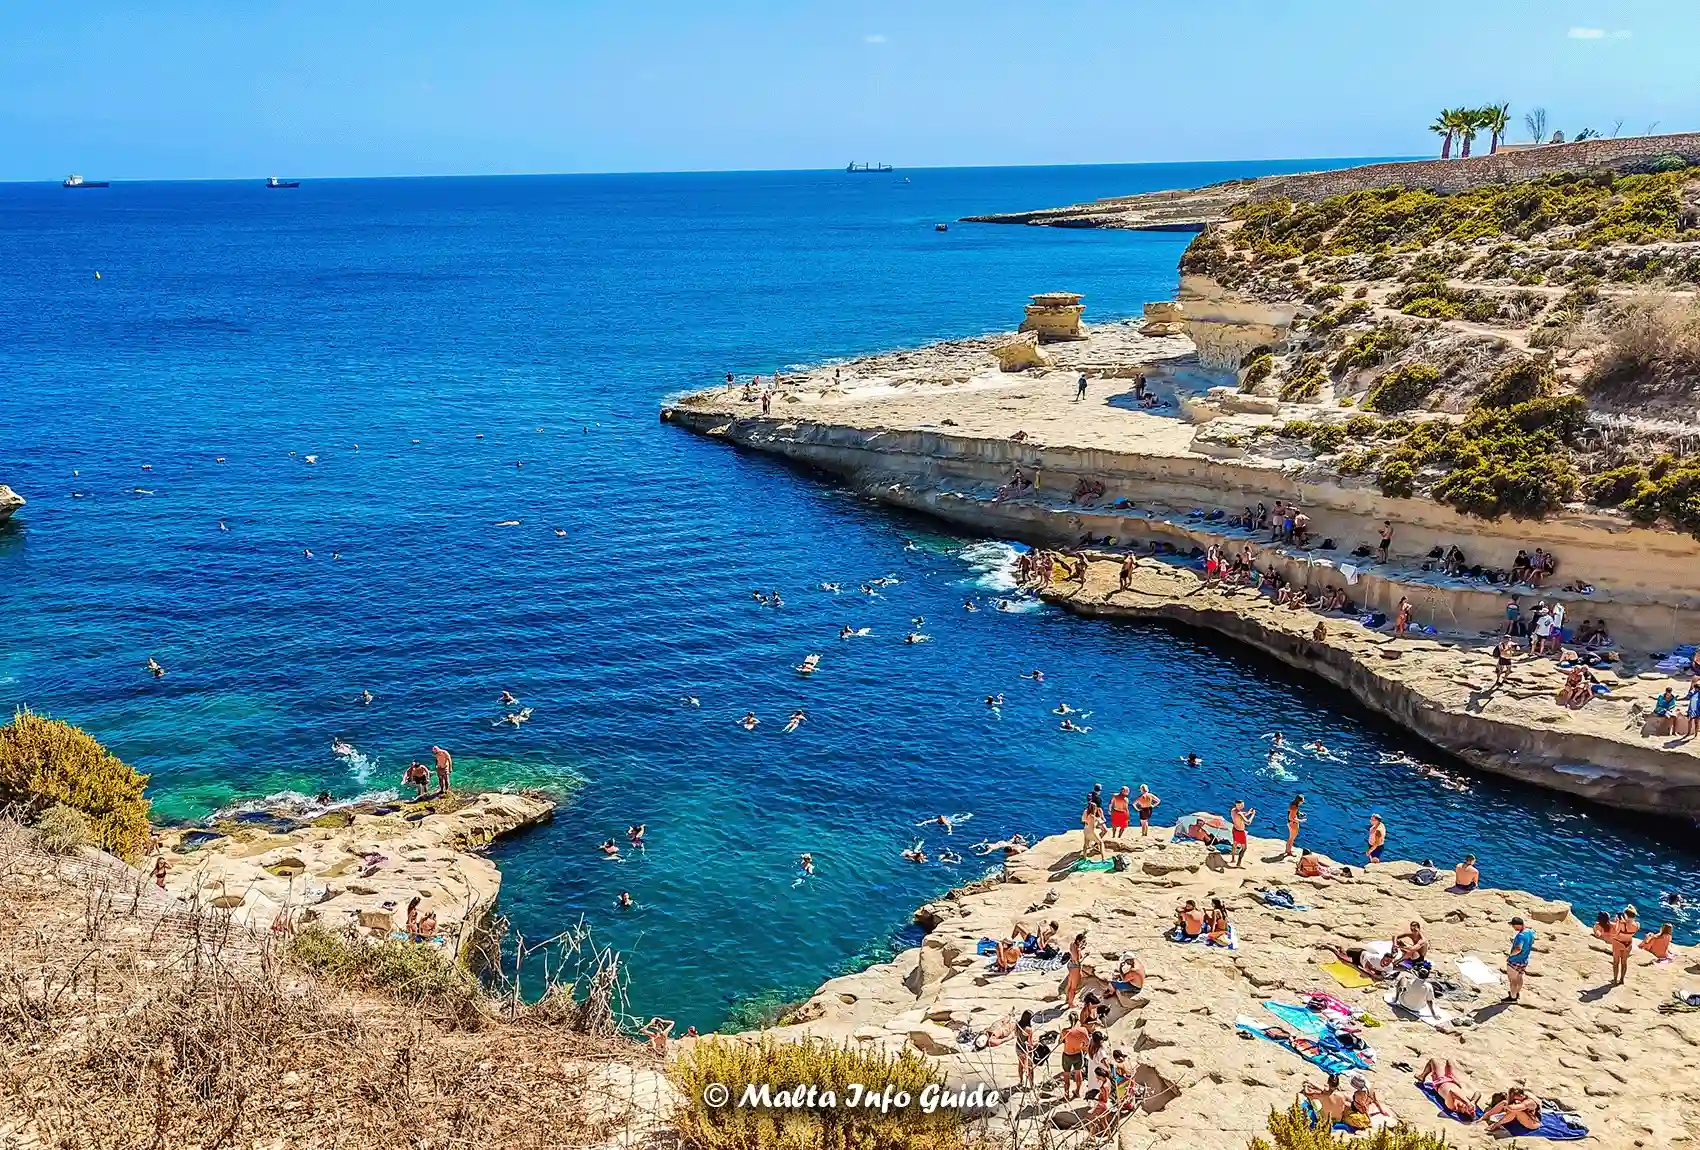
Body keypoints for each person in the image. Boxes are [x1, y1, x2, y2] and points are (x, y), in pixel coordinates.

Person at [1059, 1012, 1090, 1099]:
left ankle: (1066, 1094)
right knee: (1078, 1073)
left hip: (1067, 1055)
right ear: (1078, 1020)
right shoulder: (1083, 1030)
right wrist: (1082, 1047)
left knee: (1066, 1075)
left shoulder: (1065, 1031)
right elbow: (1088, 1042)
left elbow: (1061, 1041)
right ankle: (1077, 1091)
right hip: (1078, 1054)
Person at [1505, 916, 1534, 1001]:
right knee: (1519, 977)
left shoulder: (1520, 935)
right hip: (1524, 960)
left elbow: (1518, 949)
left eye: (1513, 925)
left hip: (1515, 961)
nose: (1513, 927)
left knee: (1513, 980)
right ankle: (1517, 992)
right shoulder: (1530, 932)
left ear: (1518, 925)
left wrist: (1510, 955)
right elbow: (1532, 941)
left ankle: (1513, 997)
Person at [1229, 800, 1256, 868]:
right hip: (1240, 832)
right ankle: (1238, 863)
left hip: (1235, 829)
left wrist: (1248, 813)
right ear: (1237, 805)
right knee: (1244, 848)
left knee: (1235, 844)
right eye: (1240, 805)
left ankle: (1233, 859)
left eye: (1242, 805)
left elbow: (1240, 814)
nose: (1242, 806)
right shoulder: (1240, 814)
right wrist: (1252, 815)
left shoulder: (1233, 810)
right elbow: (1248, 822)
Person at [1014, 1009, 1036, 1090]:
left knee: (1021, 1065)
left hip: (1018, 1046)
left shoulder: (1018, 1025)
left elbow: (1015, 1034)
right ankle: (1031, 1084)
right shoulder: (1028, 1029)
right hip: (1026, 1049)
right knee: (1030, 1067)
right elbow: (1030, 1042)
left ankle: (1021, 1081)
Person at [1065, 932, 1088, 1007]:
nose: (1083, 943)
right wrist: (1085, 956)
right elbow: (1078, 961)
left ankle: (1067, 999)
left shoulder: (1072, 944)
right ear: (1078, 941)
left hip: (1070, 965)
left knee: (1069, 984)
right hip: (1075, 967)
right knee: (1073, 987)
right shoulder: (1077, 949)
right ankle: (1071, 1004)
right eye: (1082, 941)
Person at [1284, 794, 1305, 858]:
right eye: (1302, 801)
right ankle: (1289, 852)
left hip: (1290, 823)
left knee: (1290, 838)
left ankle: (1287, 850)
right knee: (1292, 838)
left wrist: (1299, 813)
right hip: (1293, 824)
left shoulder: (1293, 804)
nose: (1303, 802)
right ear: (1299, 801)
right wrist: (1301, 820)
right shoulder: (1295, 808)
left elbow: (1292, 812)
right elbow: (1291, 818)